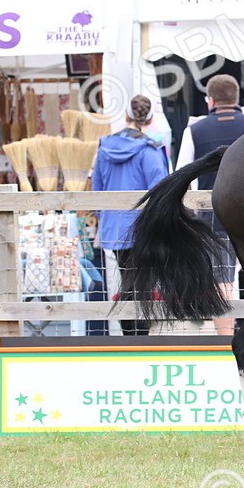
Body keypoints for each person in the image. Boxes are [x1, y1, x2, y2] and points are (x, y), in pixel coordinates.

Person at [176, 74, 244, 334]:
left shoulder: (194, 131)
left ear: (209, 100)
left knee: (222, 277)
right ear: (237, 98)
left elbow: (181, 175)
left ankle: (225, 340)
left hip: (212, 216)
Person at [91, 95, 169, 335]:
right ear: (150, 118)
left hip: (114, 227)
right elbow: (161, 189)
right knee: (142, 281)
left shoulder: (105, 148)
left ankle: (129, 332)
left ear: (126, 117)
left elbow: (96, 189)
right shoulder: (151, 150)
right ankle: (139, 336)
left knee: (128, 277)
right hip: (143, 227)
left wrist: (104, 217)